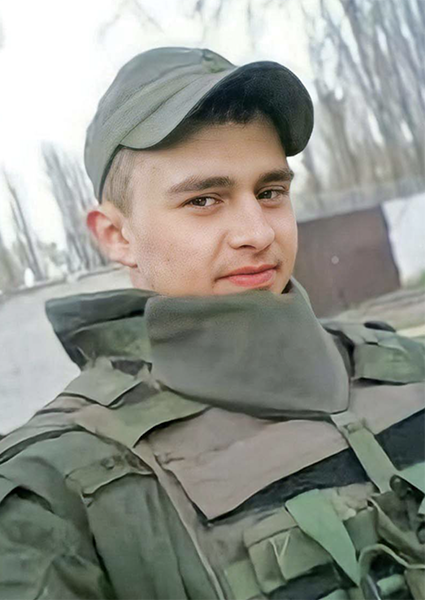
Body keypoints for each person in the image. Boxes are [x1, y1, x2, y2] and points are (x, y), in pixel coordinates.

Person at [1, 46, 425, 600]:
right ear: (117, 236)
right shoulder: (51, 494)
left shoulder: (401, 366)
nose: (258, 233)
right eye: (204, 200)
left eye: (270, 193)